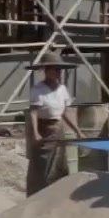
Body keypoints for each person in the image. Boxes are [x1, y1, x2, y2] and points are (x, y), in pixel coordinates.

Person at [24, 50, 86, 196]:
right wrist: (36, 134)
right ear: (47, 70)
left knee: (59, 166)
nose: (59, 72)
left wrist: (77, 131)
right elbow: (33, 113)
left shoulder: (62, 89)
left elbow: (65, 113)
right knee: (42, 166)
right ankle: (37, 196)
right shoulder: (38, 90)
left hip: (58, 130)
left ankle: (57, 197)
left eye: (60, 69)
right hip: (44, 130)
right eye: (56, 69)